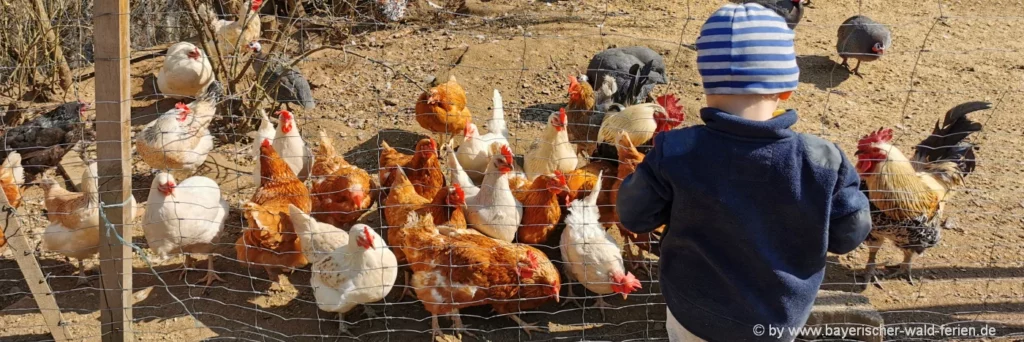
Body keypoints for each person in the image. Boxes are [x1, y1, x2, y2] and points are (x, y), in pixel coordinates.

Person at [616, 3, 872, 341]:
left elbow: (634, 216)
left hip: (693, 314)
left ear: (706, 85)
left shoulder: (676, 151)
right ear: (787, 88)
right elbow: (848, 235)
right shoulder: (824, 160)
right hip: (775, 323)